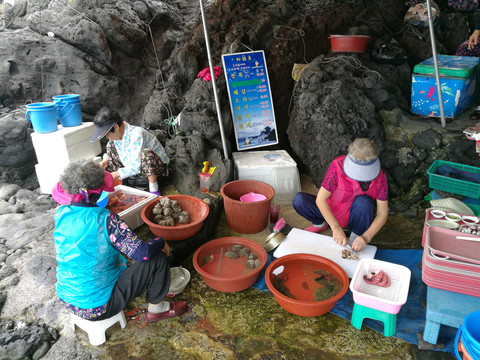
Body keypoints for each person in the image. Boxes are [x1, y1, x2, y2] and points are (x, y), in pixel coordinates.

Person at [52, 160, 187, 323]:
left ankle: (154, 287)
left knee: (124, 255)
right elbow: (142, 253)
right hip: (99, 307)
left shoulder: (61, 213)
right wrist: (160, 241)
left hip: (68, 299)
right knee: (155, 257)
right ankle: (157, 309)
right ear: (99, 192)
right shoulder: (105, 218)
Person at [292, 138, 388, 252]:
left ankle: (356, 237)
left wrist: (366, 237)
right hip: (332, 212)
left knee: (364, 202)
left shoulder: (380, 177)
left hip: (356, 218)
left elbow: (382, 213)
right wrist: (335, 227)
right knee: (299, 200)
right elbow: (320, 200)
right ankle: (320, 223)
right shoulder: (337, 166)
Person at [90, 107, 170, 196]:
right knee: (110, 146)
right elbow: (113, 155)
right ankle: (122, 183)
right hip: (134, 170)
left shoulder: (137, 135)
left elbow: (136, 166)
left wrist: (113, 175)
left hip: (156, 171)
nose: (107, 137)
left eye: (107, 134)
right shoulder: (115, 139)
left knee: (146, 154)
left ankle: (154, 189)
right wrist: (105, 161)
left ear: (116, 127)